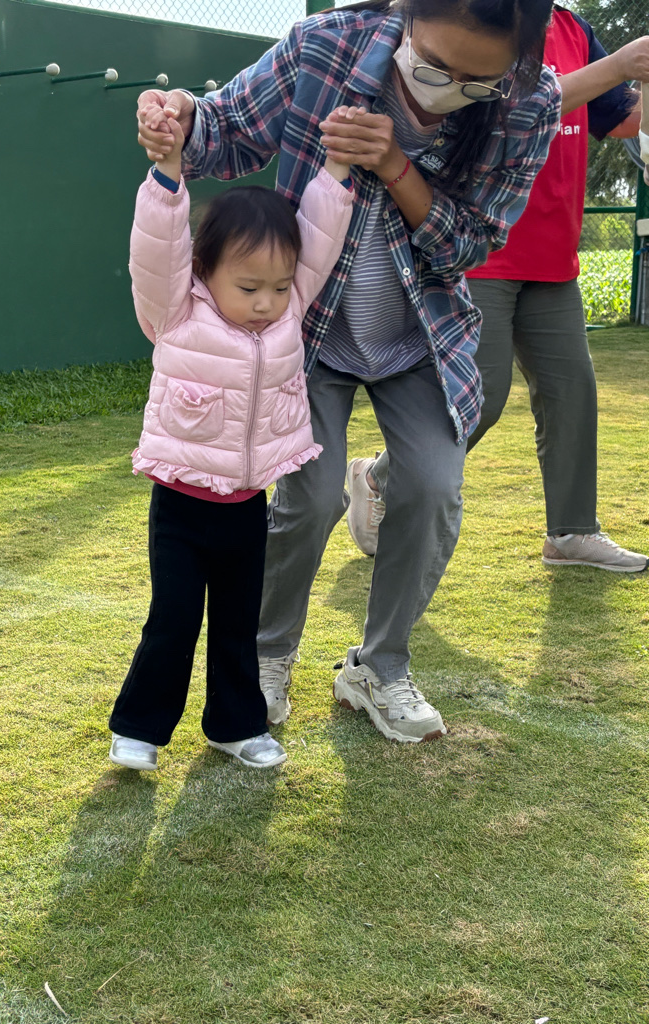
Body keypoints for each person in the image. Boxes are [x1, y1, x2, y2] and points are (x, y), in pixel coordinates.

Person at [135, 0, 560, 744]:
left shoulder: (529, 100)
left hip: (419, 333)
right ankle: (266, 657)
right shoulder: (327, 43)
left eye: (477, 83)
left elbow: (470, 244)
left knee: (431, 488)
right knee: (306, 500)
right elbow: (226, 132)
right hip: (303, 333)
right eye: (434, 68)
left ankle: (379, 665)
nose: (448, 92)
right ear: (408, 14)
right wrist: (177, 118)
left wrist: (396, 166)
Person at [346, 7, 649, 573]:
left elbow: (622, 119)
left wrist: (642, 80)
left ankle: (572, 532)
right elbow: (527, 106)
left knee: (572, 392)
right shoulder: (475, 16)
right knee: (480, 393)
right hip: (480, 247)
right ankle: (378, 477)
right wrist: (620, 64)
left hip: (554, 253)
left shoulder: (575, 30)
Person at [108, 114, 354, 771]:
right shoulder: (175, 312)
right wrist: (167, 174)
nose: (267, 302)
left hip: (247, 506)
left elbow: (320, 240)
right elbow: (154, 252)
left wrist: (336, 171)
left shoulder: (289, 311)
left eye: (279, 287)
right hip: (181, 507)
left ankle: (237, 726)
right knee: (174, 618)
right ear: (204, 271)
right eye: (248, 287)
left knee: (239, 624)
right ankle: (139, 728)